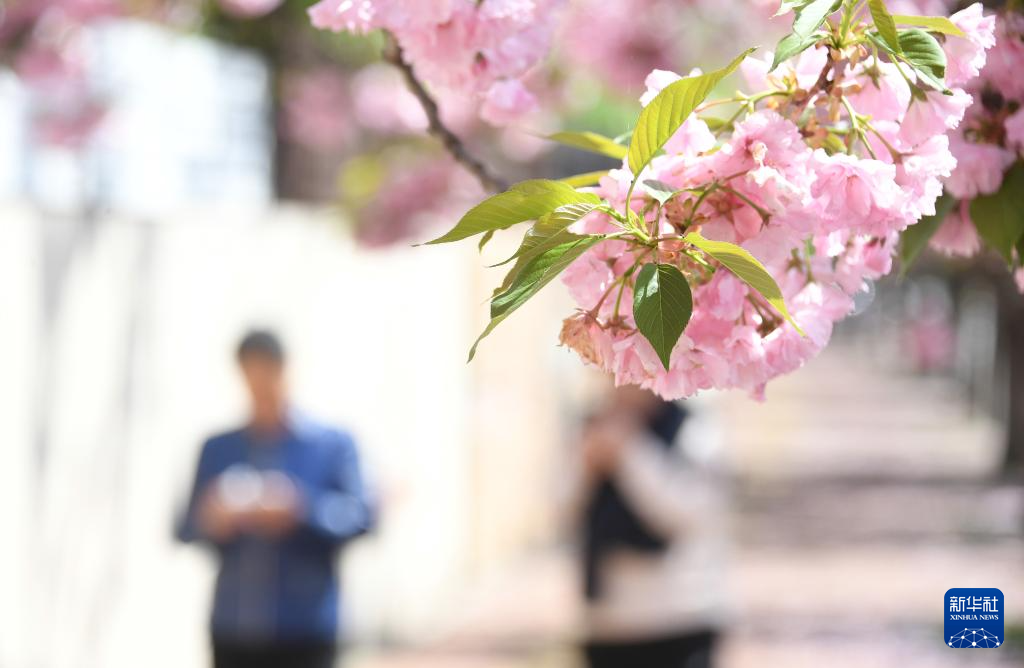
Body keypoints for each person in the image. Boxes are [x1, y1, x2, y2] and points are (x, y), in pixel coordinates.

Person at [177, 330, 373, 668]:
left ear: (285, 370)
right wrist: (214, 519)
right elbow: (185, 528)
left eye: (267, 374)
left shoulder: (331, 445)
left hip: (306, 631)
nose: (260, 388)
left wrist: (301, 509)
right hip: (234, 630)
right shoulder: (218, 449)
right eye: (251, 376)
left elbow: (361, 517)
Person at [566, 385, 730, 668]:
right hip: (608, 623)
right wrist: (588, 466)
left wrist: (629, 452)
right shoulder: (591, 424)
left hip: (682, 616)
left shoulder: (693, 428)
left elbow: (691, 512)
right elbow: (560, 508)